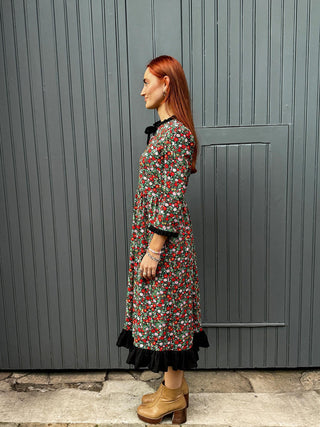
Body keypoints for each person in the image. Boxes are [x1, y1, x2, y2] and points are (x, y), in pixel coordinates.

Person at [116, 55, 209, 424]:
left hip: (165, 244)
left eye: (146, 82)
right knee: (162, 311)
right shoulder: (165, 131)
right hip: (157, 238)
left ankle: (171, 395)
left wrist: (154, 249)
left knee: (168, 314)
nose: (141, 91)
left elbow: (172, 197)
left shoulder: (178, 134)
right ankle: (176, 388)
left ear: (165, 84)